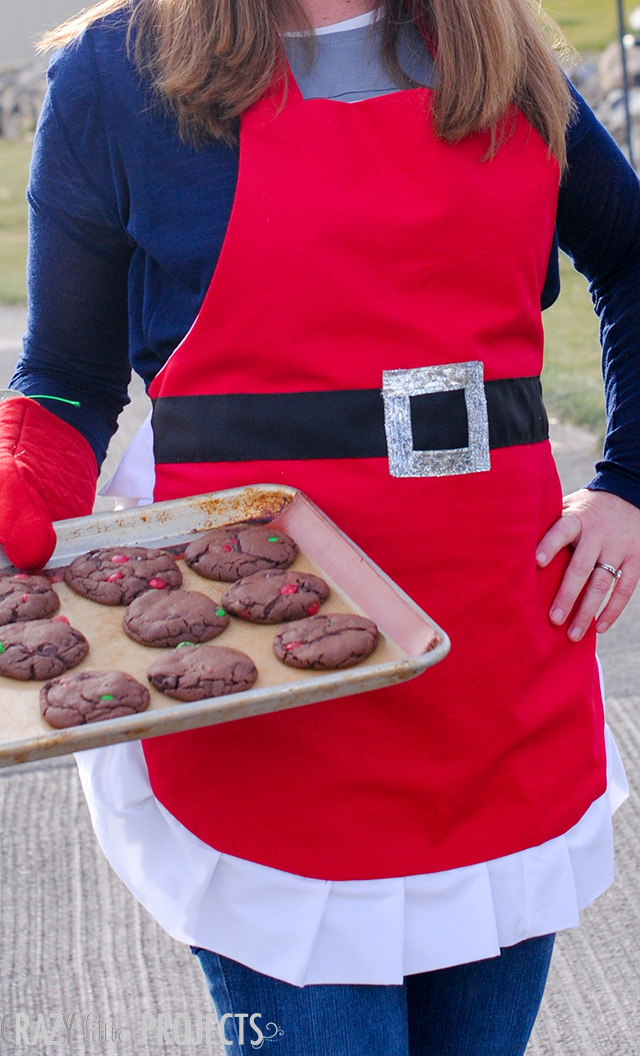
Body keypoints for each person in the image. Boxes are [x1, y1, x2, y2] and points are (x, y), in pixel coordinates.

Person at [2, 0, 639, 1052]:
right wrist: (23, 480)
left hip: (495, 657)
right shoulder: (122, 70)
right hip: (256, 690)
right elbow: (67, 378)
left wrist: (627, 482)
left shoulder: (502, 51)